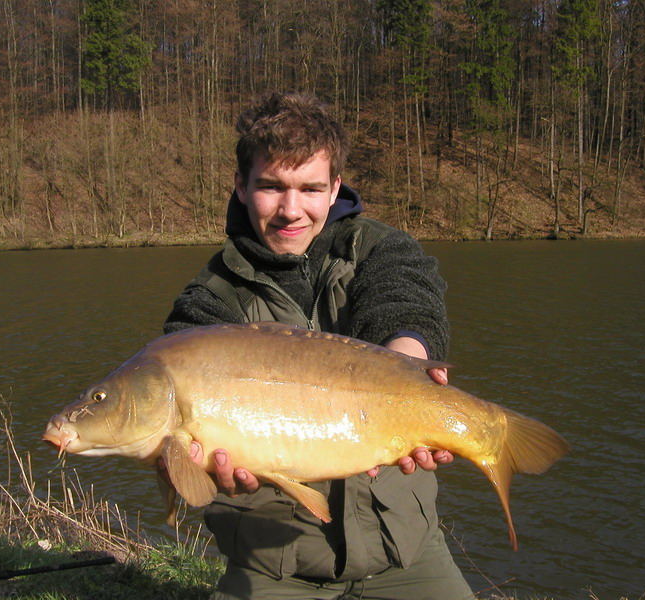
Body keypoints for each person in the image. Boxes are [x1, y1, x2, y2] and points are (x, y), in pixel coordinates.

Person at [163, 92, 473, 600]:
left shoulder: (379, 248)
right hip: (275, 564)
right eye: (270, 187)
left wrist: (409, 379)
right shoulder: (210, 301)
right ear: (240, 187)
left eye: (309, 188)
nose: (291, 210)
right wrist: (205, 473)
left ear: (335, 189)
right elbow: (176, 394)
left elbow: (405, 304)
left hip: (404, 551)